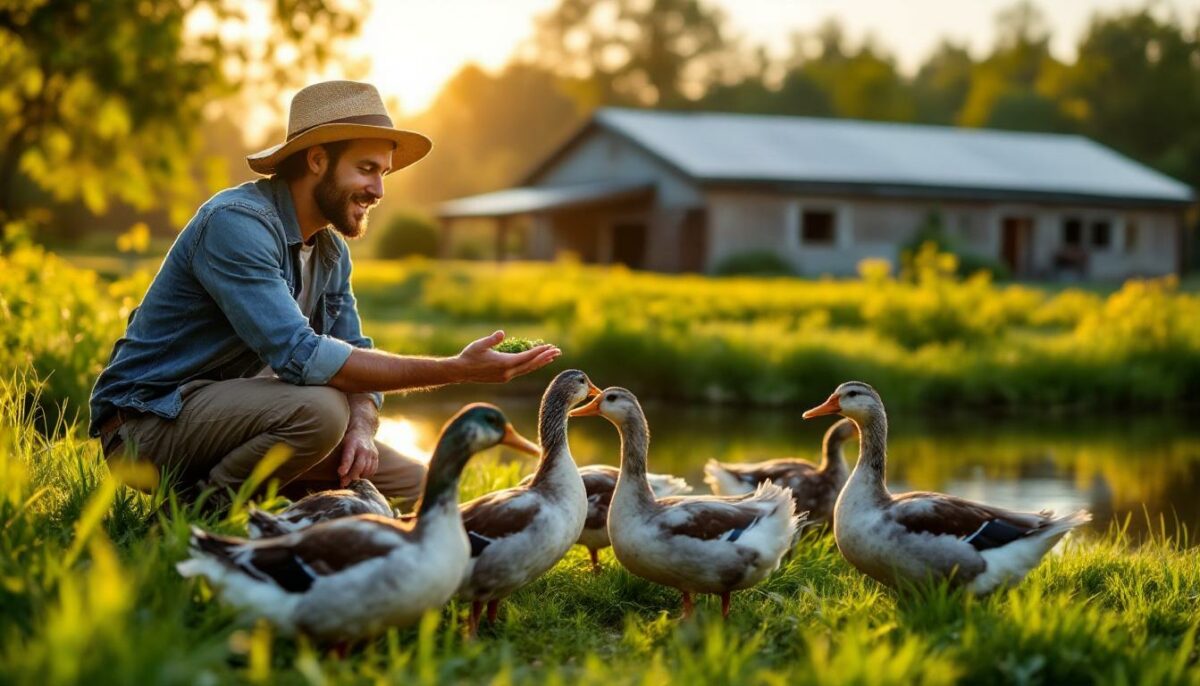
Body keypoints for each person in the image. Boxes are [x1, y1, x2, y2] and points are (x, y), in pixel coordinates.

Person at [88, 80, 560, 509]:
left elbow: (355, 353)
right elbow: (302, 356)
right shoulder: (236, 224)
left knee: (420, 481)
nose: (378, 189)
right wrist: (457, 370)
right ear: (317, 160)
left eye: (384, 174)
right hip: (144, 427)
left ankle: (295, 515)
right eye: (367, 169)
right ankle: (193, 518)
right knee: (320, 411)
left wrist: (361, 428)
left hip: (229, 417)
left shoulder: (331, 250)